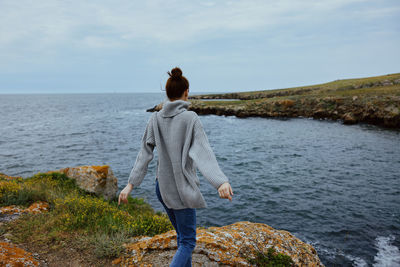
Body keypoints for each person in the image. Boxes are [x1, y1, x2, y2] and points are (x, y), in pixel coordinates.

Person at [118, 67, 234, 267]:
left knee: (182, 238)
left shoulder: (154, 118)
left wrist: (130, 185)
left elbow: (144, 154)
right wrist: (220, 181)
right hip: (181, 190)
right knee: (188, 242)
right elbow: (203, 152)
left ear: (167, 93)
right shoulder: (190, 118)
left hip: (161, 188)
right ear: (186, 92)